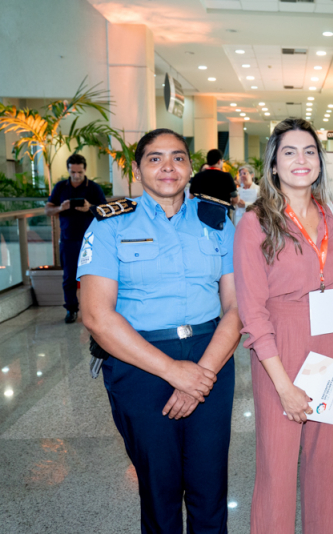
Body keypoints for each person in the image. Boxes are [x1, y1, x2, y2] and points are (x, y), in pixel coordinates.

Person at [77, 128, 241, 533]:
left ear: (190, 167)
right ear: (137, 170)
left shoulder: (217, 221)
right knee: (159, 489)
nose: (168, 167)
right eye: (155, 158)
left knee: (210, 488)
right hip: (139, 363)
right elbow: (96, 316)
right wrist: (173, 372)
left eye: (178, 157)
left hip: (210, 358)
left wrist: (201, 374)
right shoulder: (110, 225)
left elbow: (238, 307)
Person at [234, 118, 333, 534]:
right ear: (273, 164)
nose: (301, 160)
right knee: (277, 470)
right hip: (281, 348)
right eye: (289, 152)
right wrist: (284, 387)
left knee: (331, 467)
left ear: (320, 162)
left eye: (309, 151)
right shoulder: (255, 222)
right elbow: (252, 312)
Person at [45, 153, 107, 323]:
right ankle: (71, 309)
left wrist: (89, 207)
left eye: (79, 172)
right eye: (73, 172)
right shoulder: (61, 187)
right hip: (68, 239)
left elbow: (105, 212)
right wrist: (60, 208)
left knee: (94, 276)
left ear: (85, 170)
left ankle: (95, 309)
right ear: (68, 170)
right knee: (69, 277)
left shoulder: (93, 188)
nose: (76, 175)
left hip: (91, 240)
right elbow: (48, 210)